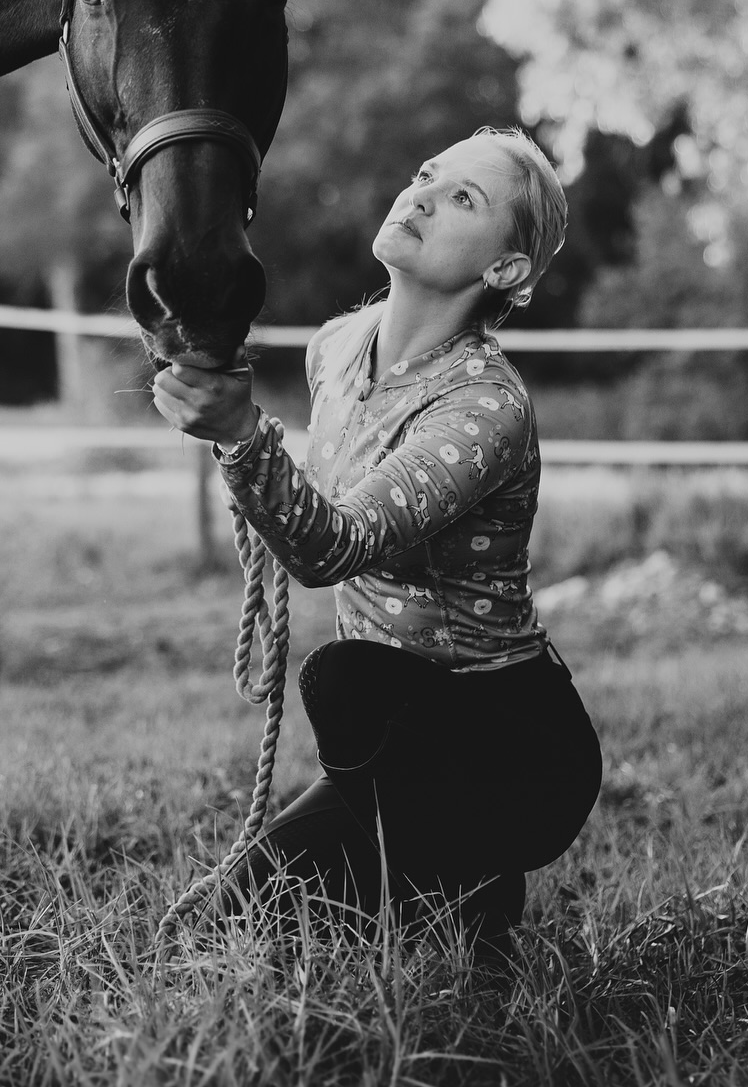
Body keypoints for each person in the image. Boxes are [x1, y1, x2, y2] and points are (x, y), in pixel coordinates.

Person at [152, 128, 602, 957]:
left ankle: (470, 862)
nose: (422, 194)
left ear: (504, 269)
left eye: (463, 198)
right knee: (346, 680)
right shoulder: (336, 347)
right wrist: (224, 413)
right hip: (392, 717)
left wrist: (243, 435)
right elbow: (309, 503)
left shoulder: (483, 408)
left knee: (243, 917)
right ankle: (457, 882)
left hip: (507, 739)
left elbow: (336, 547)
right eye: (426, 173)